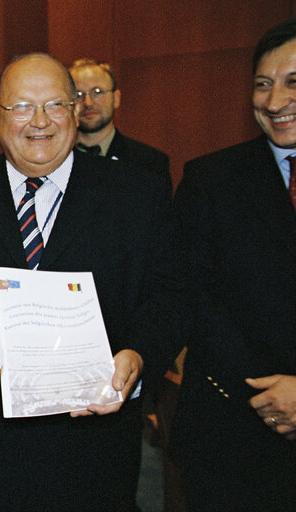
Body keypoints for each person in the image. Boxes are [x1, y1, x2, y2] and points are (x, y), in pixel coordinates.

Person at [0, 54, 181, 511]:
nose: (40, 121)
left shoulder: (136, 193)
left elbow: (169, 293)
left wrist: (141, 353)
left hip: (96, 439)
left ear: (74, 113)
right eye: (22, 107)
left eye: (54, 105)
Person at [171, 18, 296, 511]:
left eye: (293, 82)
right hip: (234, 437)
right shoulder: (211, 180)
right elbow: (191, 297)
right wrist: (275, 393)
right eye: (262, 85)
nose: (274, 100)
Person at [69, 58, 170, 186]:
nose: (88, 102)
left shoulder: (149, 162)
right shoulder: (54, 160)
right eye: (78, 94)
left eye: (97, 92)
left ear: (116, 98)